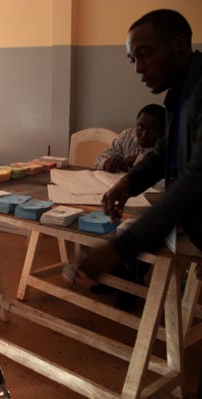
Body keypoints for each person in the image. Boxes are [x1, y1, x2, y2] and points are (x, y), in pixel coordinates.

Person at [79, 10, 202, 285]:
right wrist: (130, 181)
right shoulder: (180, 93)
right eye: (133, 59)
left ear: (179, 44)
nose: (138, 68)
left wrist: (120, 247)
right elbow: (164, 152)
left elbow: (196, 178)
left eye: (145, 54)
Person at [94, 104, 165, 172]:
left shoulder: (169, 144)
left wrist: (139, 159)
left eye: (152, 130)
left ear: (164, 130)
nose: (144, 135)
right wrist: (106, 163)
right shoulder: (127, 135)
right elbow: (99, 160)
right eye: (140, 127)